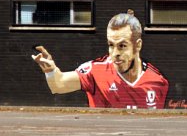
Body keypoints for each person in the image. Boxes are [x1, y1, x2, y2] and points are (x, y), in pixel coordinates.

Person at [30, 11, 170, 109]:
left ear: (137, 45)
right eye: (111, 45)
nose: (115, 53)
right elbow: (59, 85)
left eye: (122, 46)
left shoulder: (157, 81)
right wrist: (50, 71)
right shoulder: (96, 71)